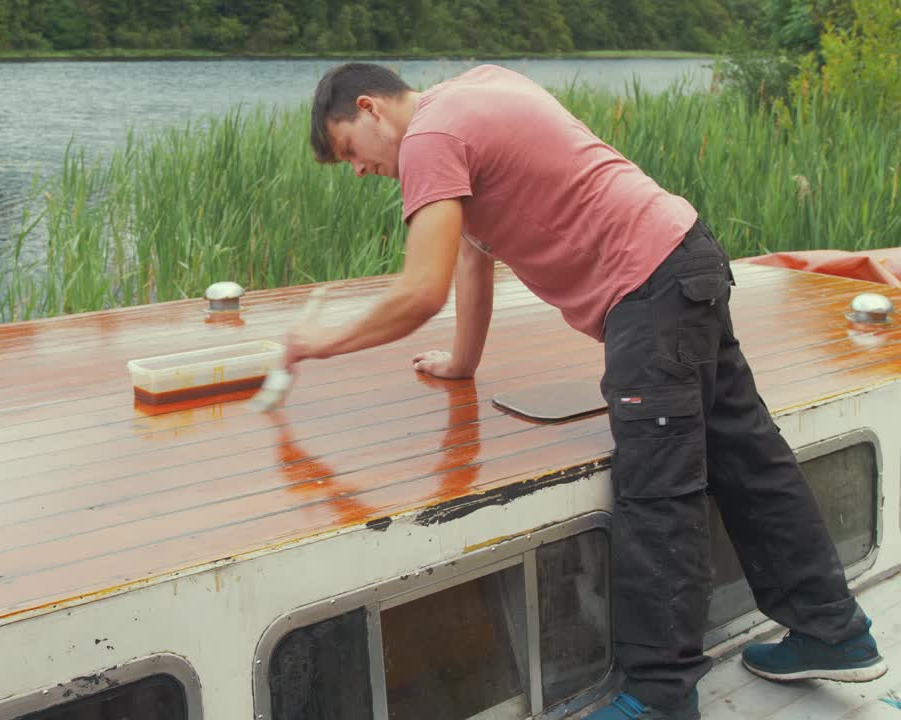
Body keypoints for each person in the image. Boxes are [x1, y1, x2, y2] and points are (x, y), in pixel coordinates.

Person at [286, 62, 886, 720]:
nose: (359, 170)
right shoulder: (475, 88)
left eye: (348, 150)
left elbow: (420, 290)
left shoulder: (429, 139)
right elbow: (468, 261)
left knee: (657, 490)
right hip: (687, 257)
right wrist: (462, 363)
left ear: (370, 108)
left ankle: (659, 695)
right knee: (748, 459)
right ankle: (835, 631)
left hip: (649, 293)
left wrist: (321, 343)